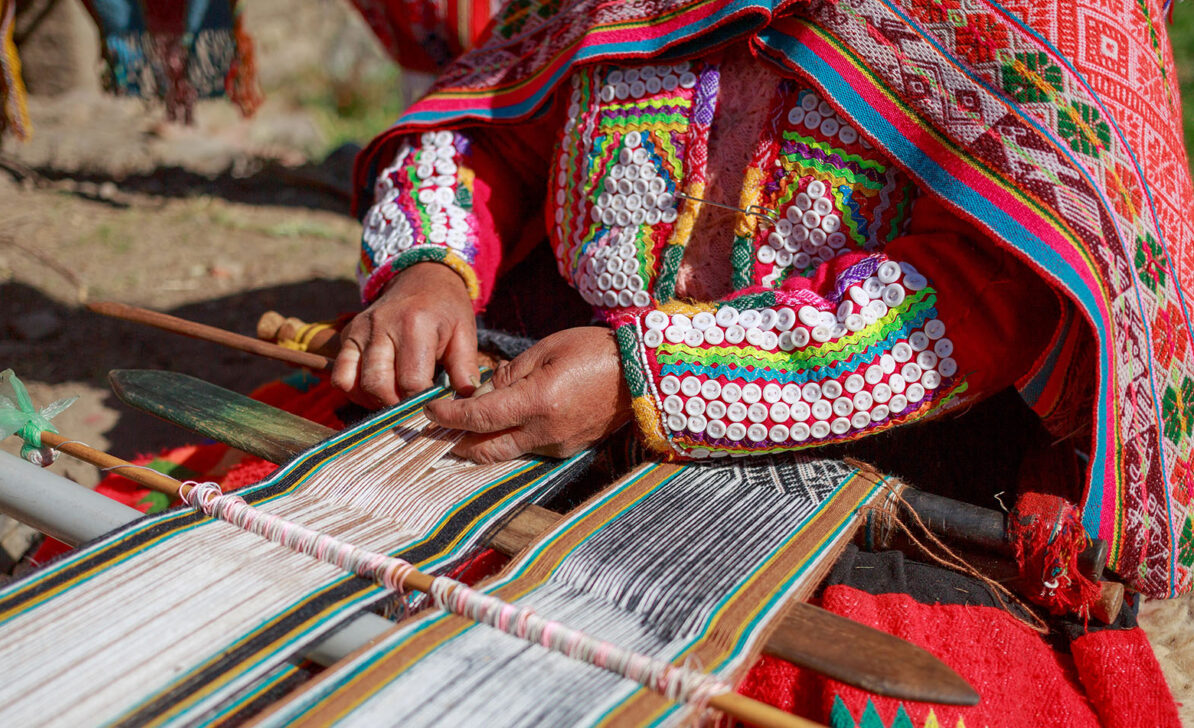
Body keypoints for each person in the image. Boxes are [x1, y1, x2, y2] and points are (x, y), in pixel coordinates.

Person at [332, 0, 1194, 608]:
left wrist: (655, 378)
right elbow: (496, 120)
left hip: (878, 476)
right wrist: (431, 267)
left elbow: (995, 285)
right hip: (570, 413)